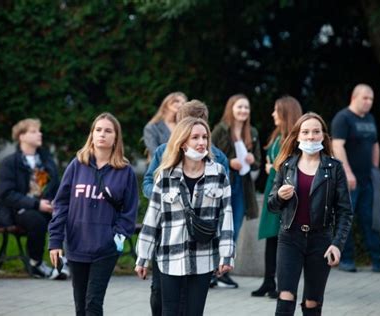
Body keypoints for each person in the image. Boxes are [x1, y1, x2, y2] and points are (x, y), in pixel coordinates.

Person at [135, 117, 235, 316]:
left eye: (205, 137)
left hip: (204, 257)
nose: (201, 142)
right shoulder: (164, 175)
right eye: (195, 137)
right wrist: (142, 257)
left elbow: (227, 217)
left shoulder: (219, 173)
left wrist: (227, 254)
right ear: (182, 143)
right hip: (169, 256)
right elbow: (152, 218)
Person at [49, 112, 139, 315]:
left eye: (108, 131)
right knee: (80, 306)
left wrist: (117, 235)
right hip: (76, 244)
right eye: (98, 130)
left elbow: (130, 210)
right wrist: (55, 241)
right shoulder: (76, 165)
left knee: (93, 304)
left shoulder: (125, 171)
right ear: (91, 134)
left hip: (105, 248)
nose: (102, 134)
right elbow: (61, 204)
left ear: (116, 137)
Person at [268, 112, 353, 316]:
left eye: (316, 132)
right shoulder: (286, 166)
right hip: (290, 237)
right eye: (305, 132)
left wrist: (337, 244)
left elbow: (345, 212)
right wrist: (279, 196)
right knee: (285, 296)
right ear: (297, 136)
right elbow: (272, 205)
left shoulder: (334, 168)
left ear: (323, 136)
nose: (310, 136)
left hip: (320, 240)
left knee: (313, 302)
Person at [331, 84, 380, 273]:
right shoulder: (343, 118)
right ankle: (345, 260)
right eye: (365, 98)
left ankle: (379, 262)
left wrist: (375, 169)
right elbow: (337, 146)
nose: (369, 102)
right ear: (354, 97)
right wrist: (347, 172)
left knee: (370, 220)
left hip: (367, 179)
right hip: (348, 180)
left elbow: (375, 144)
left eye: (371, 99)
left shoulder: (370, 119)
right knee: (346, 219)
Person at [0, 118, 65, 279]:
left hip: (45, 207)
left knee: (67, 217)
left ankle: (64, 262)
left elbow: (57, 187)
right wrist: (36, 204)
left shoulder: (46, 161)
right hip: (18, 211)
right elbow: (7, 194)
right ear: (21, 136)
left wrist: (56, 201)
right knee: (37, 220)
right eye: (33, 131)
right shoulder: (10, 163)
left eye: (39, 131)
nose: (39, 134)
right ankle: (36, 264)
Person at [252, 96, 302, 299]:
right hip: (272, 188)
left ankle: (282, 284)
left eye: (276, 110)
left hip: (284, 192)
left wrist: (272, 167)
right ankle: (268, 280)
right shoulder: (277, 136)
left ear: (286, 113)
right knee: (271, 238)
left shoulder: (293, 138)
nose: (273, 114)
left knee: (281, 238)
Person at [211, 93, 261, 288]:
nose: (243, 111)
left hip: (243, 186)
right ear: (231, 108)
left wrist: (251, 160)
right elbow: (209, 154)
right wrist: (228, 162)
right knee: (219, 228)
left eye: (246, 107)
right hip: (224, 185)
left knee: (234, 228)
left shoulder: (253, 132)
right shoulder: (221, 130)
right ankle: (211, 272)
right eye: (239, 107)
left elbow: (257, 161)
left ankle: (222, 271)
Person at [143, 92, 187, 159]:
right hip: (160, 166)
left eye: (183, 103)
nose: (180, 104)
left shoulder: (184, 126)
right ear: (167, 103)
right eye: (177, 101)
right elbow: (155, 152)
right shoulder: (152, 127)